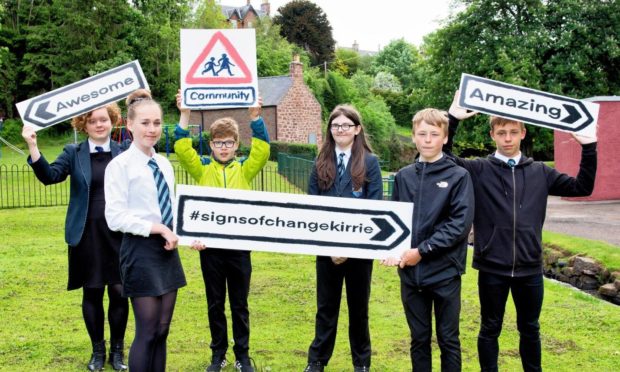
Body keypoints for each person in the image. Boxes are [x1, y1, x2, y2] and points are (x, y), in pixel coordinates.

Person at [445, 91, 598, 372]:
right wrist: (452, 119)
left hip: (529, 268)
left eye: (513, 132)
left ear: (523, 133)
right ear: (492, 134)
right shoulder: (478, 169)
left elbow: (582, 187)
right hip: (492, 267)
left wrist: (589, 147)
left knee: (530, 329)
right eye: (501, 132)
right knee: (490, 328)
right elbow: (444, 158)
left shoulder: (541, 171)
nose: (507, 137)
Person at [21, 104, 129, 371]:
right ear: (83, 125)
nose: (99, 124)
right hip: (86, 234)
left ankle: (117, 352)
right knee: (92, 291)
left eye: (104, 119)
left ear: (113, 121)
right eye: (92, 121)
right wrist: (33, 146)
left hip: (118, 234)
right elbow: (50, 176)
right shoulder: (73, 152)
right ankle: (97, 352)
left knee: (118, 292)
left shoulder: (125, 151)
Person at [174, 91, 269, 372]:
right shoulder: (202, 169)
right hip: (210, 250)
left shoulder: (245, 170)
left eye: (228, 143)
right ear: (211, 145)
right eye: (218, 143)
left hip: (239, 249)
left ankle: (242, 355)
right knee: (215, 303)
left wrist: (255, 117)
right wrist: (185, 114)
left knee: (239, 305)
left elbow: (262, 150)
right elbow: (181, 148)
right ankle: (218, 355)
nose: (224, 148)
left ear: (236, 144)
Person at [382, 108, 474, 372]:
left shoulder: (459, 176)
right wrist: (392, 250)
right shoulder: (403, 176)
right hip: (411, 276)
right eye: (422, 134)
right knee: (419, 339)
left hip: (445, 273)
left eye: (434, 134)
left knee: (448, 340)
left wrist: (421, 251)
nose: (428, 139)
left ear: (445, 138)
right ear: (413, 137)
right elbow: (395, 221)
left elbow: (459, 225)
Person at [104, 89, 186, 372]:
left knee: (163, 331)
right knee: (148, 330)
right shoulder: (120, 166)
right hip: (139, 251)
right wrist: (157, 228)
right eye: (145, 123)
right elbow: (115, 217)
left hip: (167, 251)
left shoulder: (164, 163)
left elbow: (173, 207)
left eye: (156, 123)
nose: (152, 129)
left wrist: (186, 232)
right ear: (129, 125)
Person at [304, 105, 383, 372]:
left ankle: (361, 363)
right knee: (326, 308)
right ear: (330, 130)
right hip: (326, 252)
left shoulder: (370, 163)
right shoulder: (320, 161)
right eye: (336, 125)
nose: (340, 130)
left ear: (357, 129)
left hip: (359, 253)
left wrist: (349, 247)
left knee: (358, 310)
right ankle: (316, 361)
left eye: (346, 125)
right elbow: (312, 207)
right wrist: (330, 246)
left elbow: (374, 208)